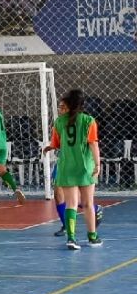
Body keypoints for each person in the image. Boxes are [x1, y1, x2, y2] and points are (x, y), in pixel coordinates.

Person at [43, 90, 103, 249]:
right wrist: (97, 164)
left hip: (66, 166)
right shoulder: (89, 121)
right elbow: (93, 144)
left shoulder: (59, 122)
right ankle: (92, 237)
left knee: (71, 204)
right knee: (88, 204)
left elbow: (56, 143)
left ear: (70, 105)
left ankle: (71, 238)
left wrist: (49, 147)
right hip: (85, 166)